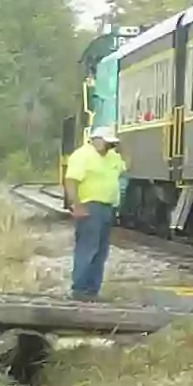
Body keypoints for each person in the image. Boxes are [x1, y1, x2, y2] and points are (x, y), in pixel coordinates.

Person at [61, 124, 128, 300]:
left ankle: (92, 290)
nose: (108, 146)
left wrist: (122, 149)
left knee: (101, 250)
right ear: (95, 139)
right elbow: (71, 181)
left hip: (107, 207)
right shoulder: (82, 156)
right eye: (107, 142)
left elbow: (126, 166)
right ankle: (80, 289)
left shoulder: (112, 157)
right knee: (87, 248)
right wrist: (76, 204)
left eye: (111, 143)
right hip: (89, 206)